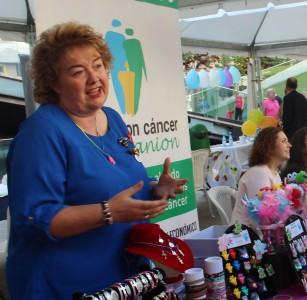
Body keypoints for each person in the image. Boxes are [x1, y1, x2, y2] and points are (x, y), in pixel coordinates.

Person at [6, 22, 187, 298]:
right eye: (78, 72)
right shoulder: (41, 132)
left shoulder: (112, 118)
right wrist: (108, 212)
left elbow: (121, 184)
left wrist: (155, 189)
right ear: (53, 83)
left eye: (98, 65)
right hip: (65, 286)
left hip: (122, 278)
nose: (94, 78)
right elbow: (35, 219)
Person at [230, 127, 291, 228]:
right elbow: (259, 218)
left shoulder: (274, 172)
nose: (289, 145)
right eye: (283, 141)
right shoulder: (259, 173)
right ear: (269, 146)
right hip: (245, 236)